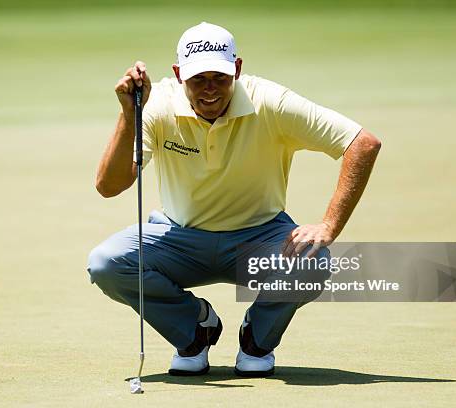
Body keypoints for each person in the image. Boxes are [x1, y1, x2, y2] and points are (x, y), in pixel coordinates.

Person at [88, 22, 381, 377]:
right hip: (180, 239)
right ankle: (195, 330)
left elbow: (362, 143)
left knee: (313, 260)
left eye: (220, 77)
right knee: (107, 263)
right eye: (198, 79)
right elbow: (109, 185)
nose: (210, 89)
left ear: (237, 69)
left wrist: (330, 224)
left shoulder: (271, 101)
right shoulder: (157, 105)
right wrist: (129, 114)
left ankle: (257, 338)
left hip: (260, 239)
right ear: (179, 75)